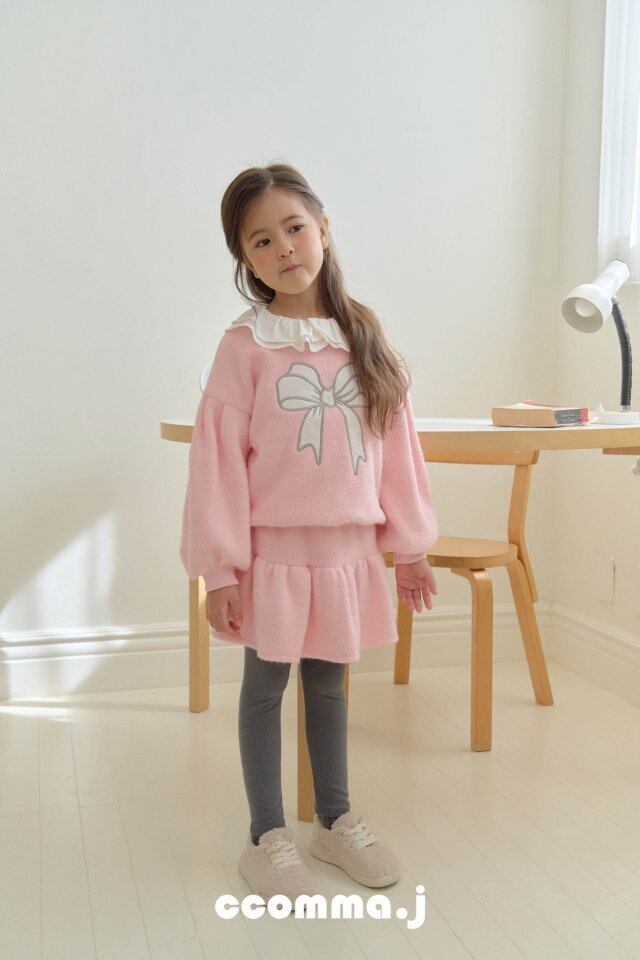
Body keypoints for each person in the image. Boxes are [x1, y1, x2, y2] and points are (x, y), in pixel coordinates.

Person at [180, 162, 439, 906]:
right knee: (266, 687)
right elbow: (217, 462)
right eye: (260, 240)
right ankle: (267, 836)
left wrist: (410, 547)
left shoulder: (363, 334)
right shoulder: (245, 346)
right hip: (274, 554)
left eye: (294, 227)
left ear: (323, 229)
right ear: (245, 259)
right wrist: (220, 569)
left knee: (329, 683)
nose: (284, 248)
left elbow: (397, 448)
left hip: (348, 550)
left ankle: (335, 820)